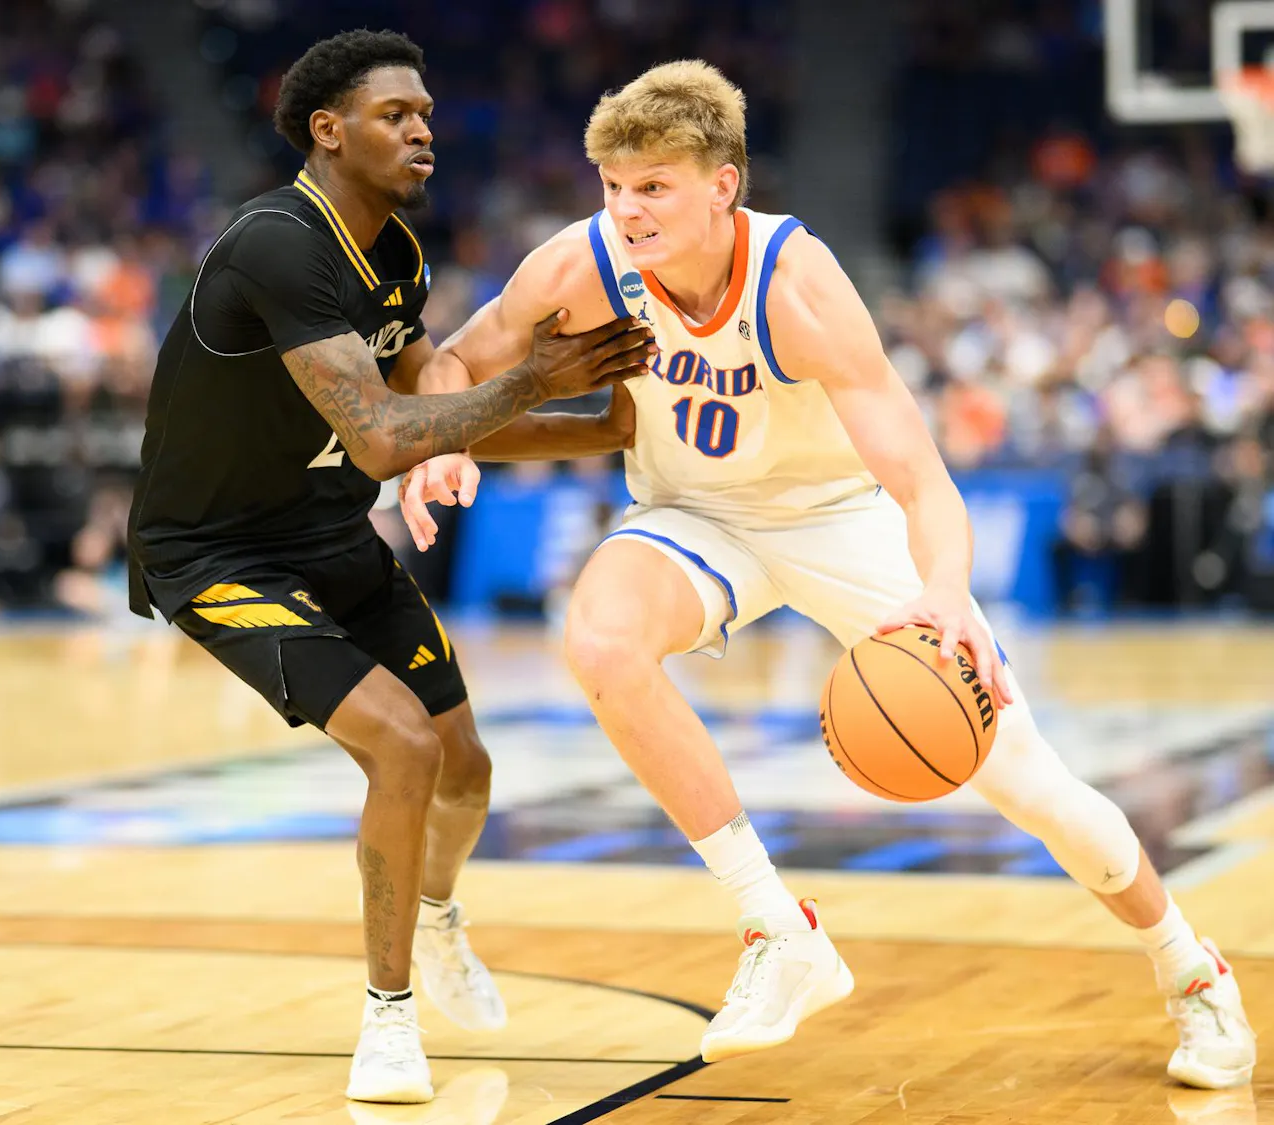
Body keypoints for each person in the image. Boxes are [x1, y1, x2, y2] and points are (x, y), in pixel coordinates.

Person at [398, 60, 1256, 1090]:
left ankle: (1192, 972)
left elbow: (923, 481)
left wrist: (941, 592)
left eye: (654, 187)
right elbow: (450, 359)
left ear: (724, 186)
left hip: (839, 522)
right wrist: (439, 441)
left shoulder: (798, 285)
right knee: (599, 640)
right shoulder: (583, 263)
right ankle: (777, 928)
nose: (627, 209)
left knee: (1028, 782)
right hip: (695, 517)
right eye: (615, 187)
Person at [124, 30, 654, 1105]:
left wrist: (608, 426)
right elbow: (382, 438)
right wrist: (532, 385)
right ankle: (389, 1019)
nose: (422, 131)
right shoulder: (278, 244)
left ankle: (442, 918)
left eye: (425, 114)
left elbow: (437, 423)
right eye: (394, 115)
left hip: (328, 537)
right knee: (403, 750)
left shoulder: (398, 259)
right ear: (328, 132)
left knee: (468, 769)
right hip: (217, 554)